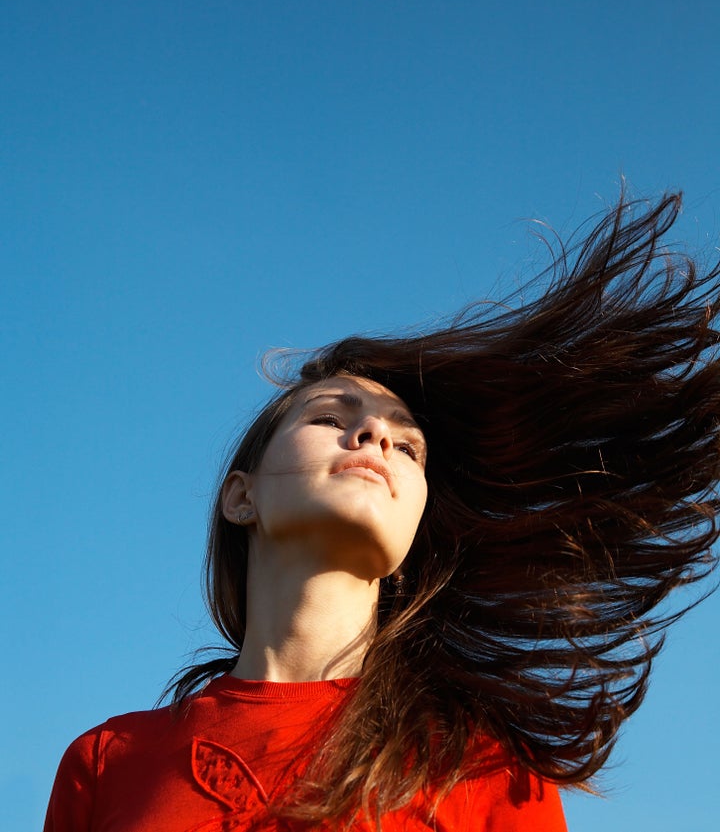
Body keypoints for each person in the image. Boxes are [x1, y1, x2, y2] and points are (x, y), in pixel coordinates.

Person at [44, 193, 720, 831]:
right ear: (240, 494)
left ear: (415, 527)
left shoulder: (489, 771)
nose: (375, 438)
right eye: (332, 416)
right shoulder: (108, 759)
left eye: (407, 445)